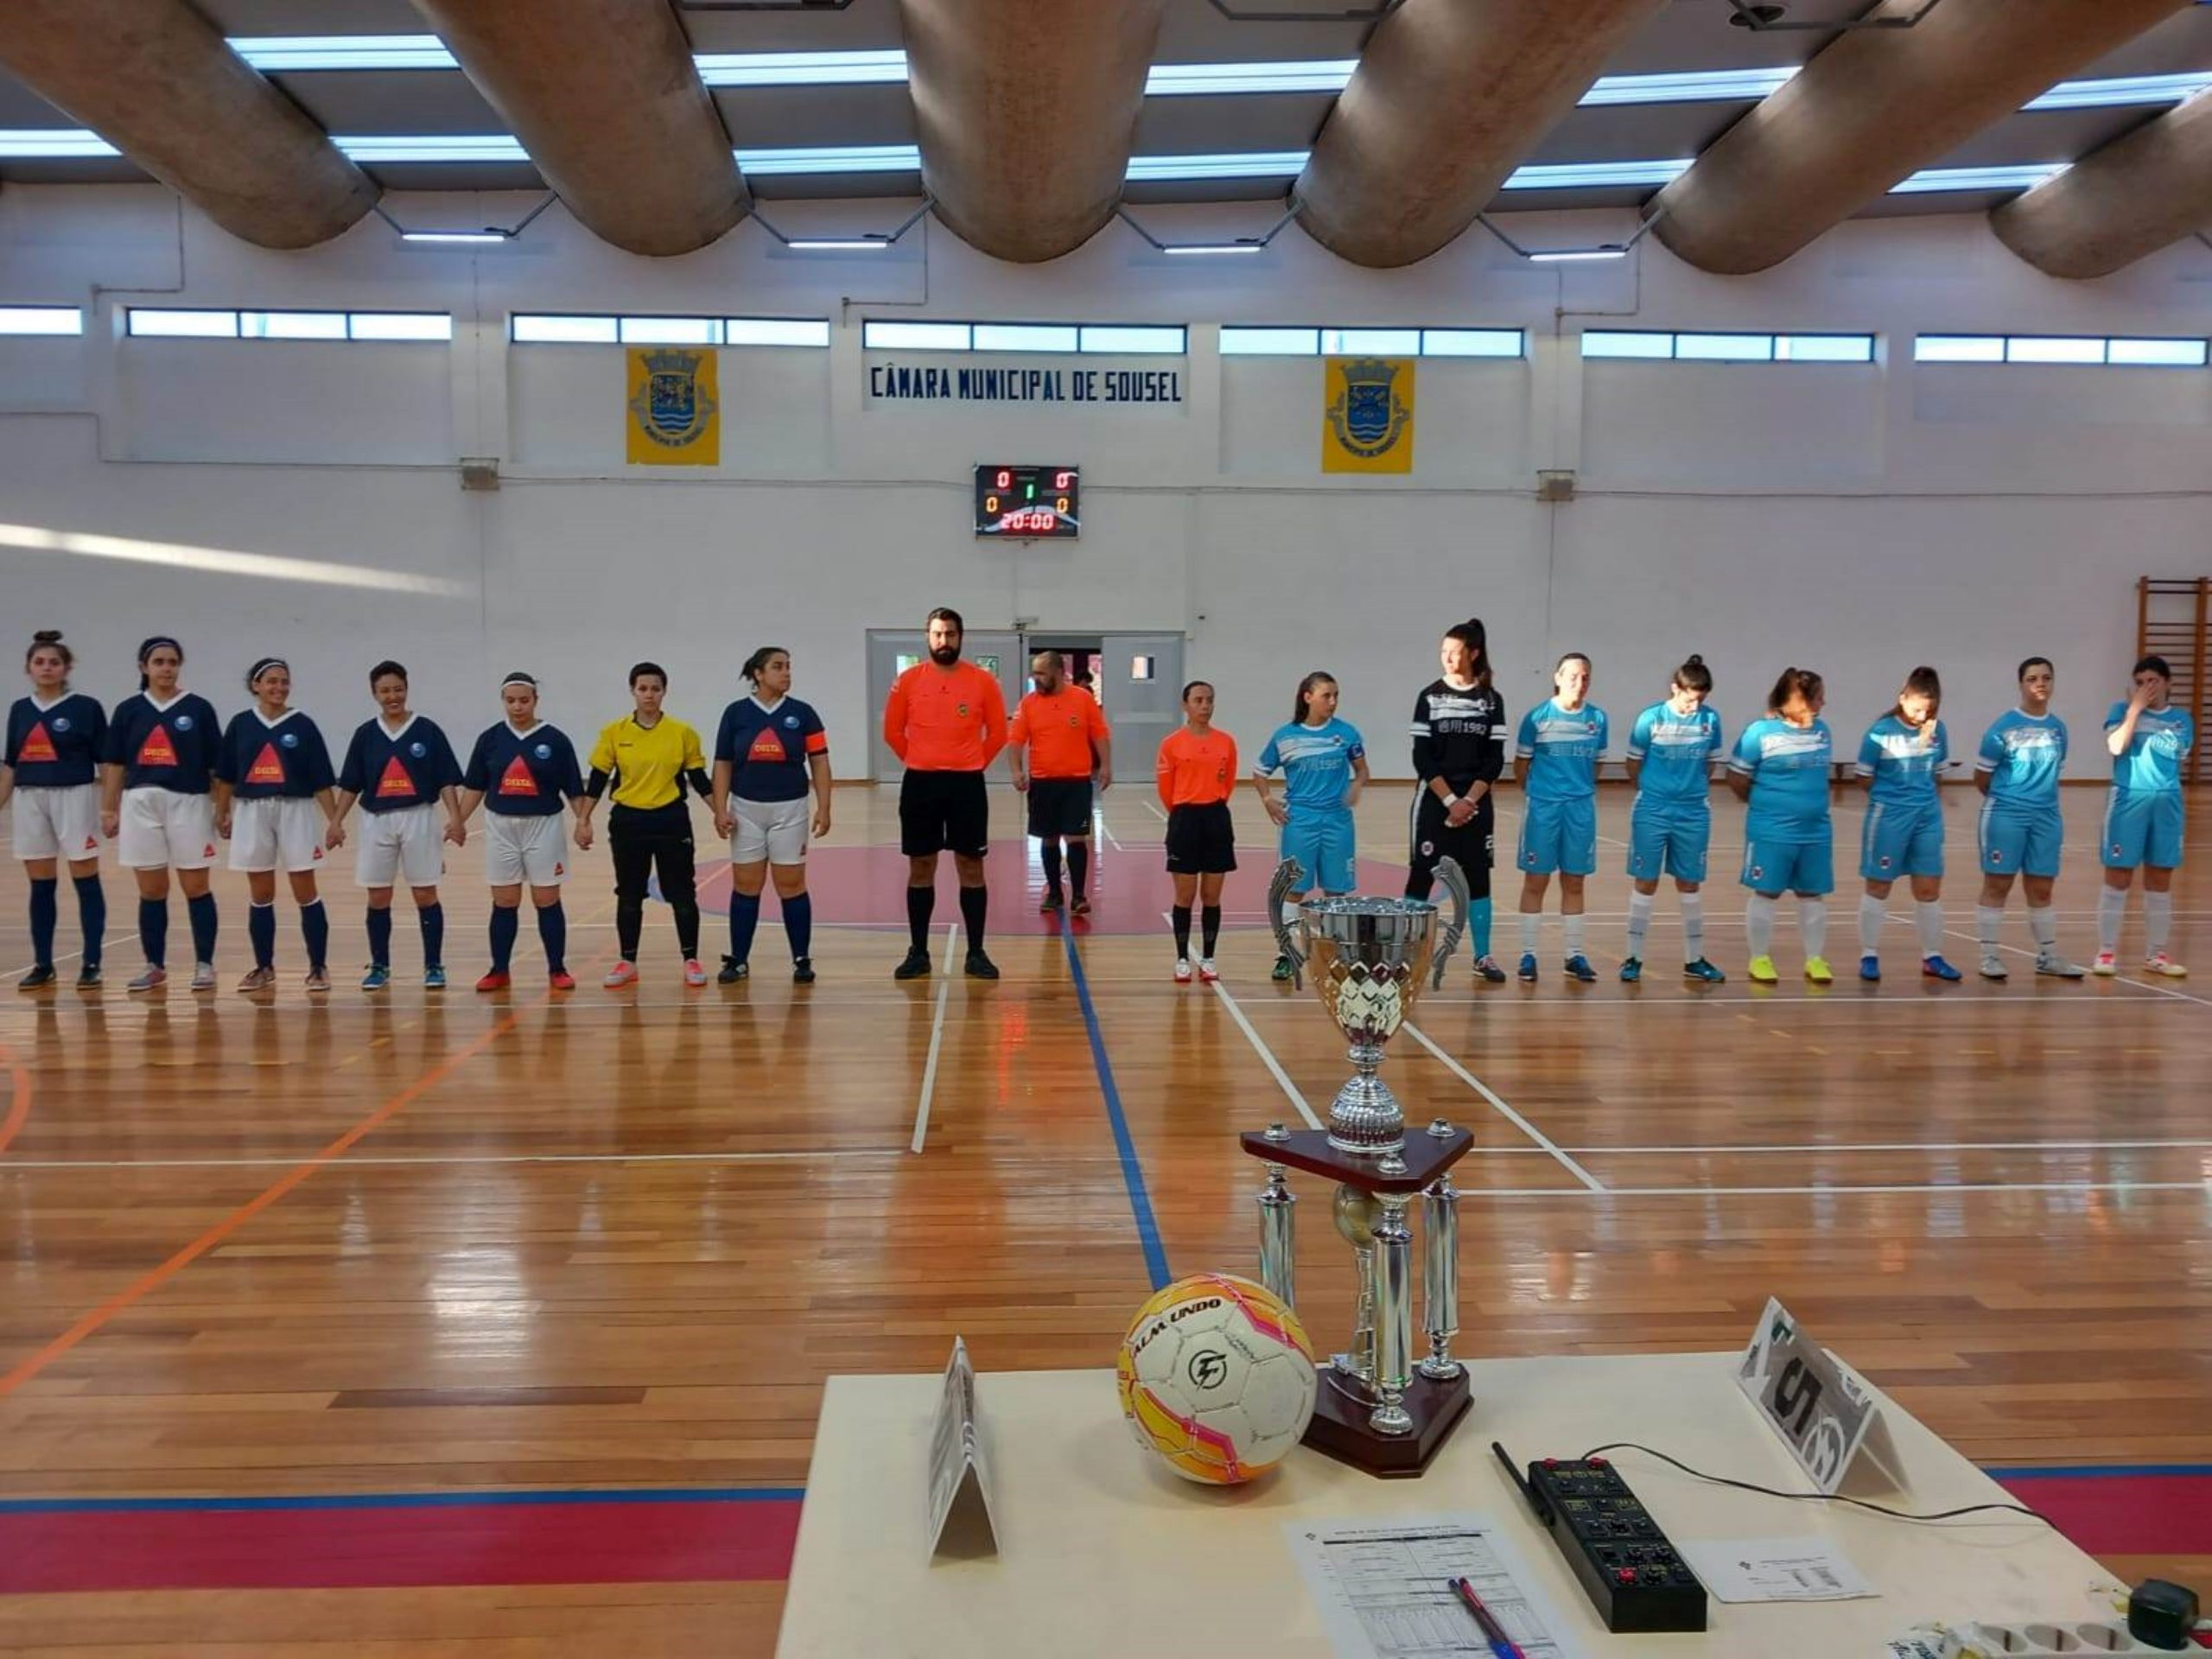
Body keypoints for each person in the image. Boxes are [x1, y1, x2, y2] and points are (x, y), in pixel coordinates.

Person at [883, 607, 1007, 981]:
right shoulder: (907, 681)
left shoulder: (983, 682)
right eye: (938, 634)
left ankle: (976, 952)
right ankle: (918, 952)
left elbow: (999, 734)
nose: (944, 641)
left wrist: (971, 764)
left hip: (966, 785)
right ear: (928, 637)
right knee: (921, 866)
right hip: (920, 784)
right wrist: (921, 761)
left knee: (971, 866)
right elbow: (892, 732)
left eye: (951, 634)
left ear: (961, 638)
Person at [327, 660, 467, 990]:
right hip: (376, 821)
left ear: (407, 689)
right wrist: (335, 822)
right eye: (385, 691)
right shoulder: (366, 735)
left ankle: (433, 964)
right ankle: (380, 965)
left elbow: (447, 779)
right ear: (374, 694)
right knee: (378, 896)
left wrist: (456, 818)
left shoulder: (427, 730)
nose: (393, 696)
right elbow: (350, 784)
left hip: (417, 816)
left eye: (398, 689)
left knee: (425, 893)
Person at [578, 664, 710, 990]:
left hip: (670, 819)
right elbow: (597, 779)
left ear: (664, 692)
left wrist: (721, 812)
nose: (649, 694)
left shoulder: (683, 733)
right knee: (629, 893)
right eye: (643, 688)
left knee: (681, 892)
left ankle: (691, 959)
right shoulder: (614, 733)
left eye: (655, 688)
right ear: (633, 691)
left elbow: (698, 779)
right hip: (628, 822)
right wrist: (583, 818)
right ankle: (628, 961)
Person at [101, 636, 222, 994]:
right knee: (152, 889)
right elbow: (115, 763)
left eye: (172, 662)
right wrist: (108, 808)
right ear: (144, 667)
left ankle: (204, 964)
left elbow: (215, 765)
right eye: (159, 662)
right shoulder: (129, 710)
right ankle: (154, 965)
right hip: (141, 803)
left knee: (196, 886)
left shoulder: (198, 709)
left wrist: (223, 809)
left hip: (190, 802)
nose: (166, 668)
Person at [213, 658, 340, 993]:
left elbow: (321, 780)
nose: (278, 688)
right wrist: (221, 812)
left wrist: (335, 821)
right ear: (256, 685)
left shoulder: (303, 725)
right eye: (271, 681)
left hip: (295, 808)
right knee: (261, 892)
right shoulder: (241, 725)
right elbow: (225, 776)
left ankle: (318, 967)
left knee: (305, 890)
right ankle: (263, 966)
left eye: (284, 682)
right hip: (253, 810)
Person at [457, 672, 586, 992]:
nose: (517, 706)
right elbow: (474, 785)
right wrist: (457, 820)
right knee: (504, 900)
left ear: (535, 701)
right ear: (503, 701)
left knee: (546, 898)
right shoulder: (490, 739)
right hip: (501, 826)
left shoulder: (555, 740)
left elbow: (573, 787)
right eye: (511, 700)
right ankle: (499, 969)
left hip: (543, 825)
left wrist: (583, 821)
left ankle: (557, 969)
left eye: (524, 700)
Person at [710, 646, 830, 984]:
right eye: (778, 667)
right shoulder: (735, 714)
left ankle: (801, 959)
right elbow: (722, 763)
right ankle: (739, 959)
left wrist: (825, 806)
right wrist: (720, 809)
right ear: (758, 674)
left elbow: (819, 761)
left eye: (789, 666)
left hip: (790, 808)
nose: (787, 673)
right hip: (746, 809)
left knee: (791, 885)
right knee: (746, 885)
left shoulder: (804, 714)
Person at [1, 631, 107, 988]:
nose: (47, 668)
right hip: (30, 798)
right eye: (39, 662)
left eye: (54, 662)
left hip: (74, 794)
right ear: (29, 668)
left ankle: (91, 961)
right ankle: (43, 963)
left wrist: (111, 806)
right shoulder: (20, 709)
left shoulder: (86, 707)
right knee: (40, 884)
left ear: (67, 667)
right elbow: (11, 765)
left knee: (85, 878)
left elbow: (106, 761)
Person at [1406, 618, 1507, 982]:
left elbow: (1494, 760)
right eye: (1443, 652)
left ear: (1474, 653)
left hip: (1476, 805)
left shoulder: (1491, 701)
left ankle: (1483, 956)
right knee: (1421, 876)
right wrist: (1450, 800)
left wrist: (1469, 801)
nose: (1447, 658)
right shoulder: (1429, 696)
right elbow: (1422, 757)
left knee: (1478, 878)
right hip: (1436, 801)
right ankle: (1410, 956)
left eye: (1455, 652)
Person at [1973, 657, 2082, 981]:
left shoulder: (2058, 728)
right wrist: (2010, 800)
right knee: (1998, 883)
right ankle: (1989, 955)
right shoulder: (2002, 727)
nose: (2040, 684)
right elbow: (1982, 777)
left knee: (2042, 888)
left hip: (2047, 816)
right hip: (2006, 813)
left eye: (2047, 678)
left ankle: (2048, 956)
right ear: (2021, 684)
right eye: (2033, 678)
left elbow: (2055, 771)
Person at [1255, 671, 1368, 982]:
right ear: (1308, 697)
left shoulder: (1347, 734)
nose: (1332, 702)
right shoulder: (1285, 736)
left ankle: (1337, 955)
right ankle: (1286, 954)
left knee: (1336, 891)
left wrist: (1358, 784)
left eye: (1335, 696)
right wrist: (1268, 800)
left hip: (1337, 821)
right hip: (1300, 821)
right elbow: (1260, 771)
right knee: (1293, 891)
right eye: (1326, 695)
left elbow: (1362, 770)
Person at [1622, 654, 1727, 985]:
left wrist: (1689, 790)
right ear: (1675, 689)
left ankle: (1694, 959)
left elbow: (1710, 765)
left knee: (1689, 882)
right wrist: (1657, 790)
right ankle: (1633, 957)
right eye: (1690, 699)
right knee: (1646, 881)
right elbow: (1633, 765)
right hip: (1653, 808)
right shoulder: (1650, 719)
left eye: (1701, 700)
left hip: (1693, 811)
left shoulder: (1710, 720)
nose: (1695, 706)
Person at [1853, 667, 1961, 983]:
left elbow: (1937, 774)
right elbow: (1863, 776)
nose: (1920, 715)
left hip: (1926, 817)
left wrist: (1924, 801)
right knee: (1878, 885)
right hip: (1888, 817)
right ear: (1902, 698)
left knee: (1928, 888)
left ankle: (1932, 956)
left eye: (1927, 709)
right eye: (1916, 708)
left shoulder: (1938, 731)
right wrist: (1889, 800)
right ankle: (1869, 954)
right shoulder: (1881, 731)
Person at [1729, 666, 1836, 986]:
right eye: (1818, 696)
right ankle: (1759, 957)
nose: (1824, 702)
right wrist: (1768, 808)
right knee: (1767, 891)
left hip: (1816, 830)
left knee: (1812, 894)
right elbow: (1736, 778)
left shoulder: (1823, 732)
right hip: (1772, 830)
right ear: (1800, 699)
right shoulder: (1760, 733)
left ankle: (1815, 959)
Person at [2097, 654, 2194, 977]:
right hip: (2128, 799)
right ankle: (2107, 952)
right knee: (2119, 876)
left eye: (2152, 681)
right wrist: (2134, 710)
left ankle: (2156, 955)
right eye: (2139, 683)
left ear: (2168, 683)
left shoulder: (2182, 720)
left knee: (2160, 880)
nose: (2146, 688)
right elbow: (2115, 747)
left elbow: (2177, 756)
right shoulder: (2120, 712)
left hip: (2167, 804)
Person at [1514, 652, 1607, 984]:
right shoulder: (1537, 718)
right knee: (1536, 881)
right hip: (1543, 808)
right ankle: (1528, 955)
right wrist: (1542, 794)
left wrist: (1577, 789)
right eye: (1572, 676)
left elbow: (1596, 764)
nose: (1578, 684)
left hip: (1580, 810)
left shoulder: (1598, 718)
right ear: (1557, 677)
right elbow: (1521, 767)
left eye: (1585, 678)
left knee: (1575, 880)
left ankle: (1573, 955)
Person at [1009, 650, 1113, 917]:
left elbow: (1099, 733)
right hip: (1043, 782)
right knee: (1049, 839)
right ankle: (1054, 892)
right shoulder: (1028, 704)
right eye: (1034, 673)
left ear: (1058, 672)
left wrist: (1106, 766)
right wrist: (1016, 771)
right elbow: (1015, 741)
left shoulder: (1082, 699)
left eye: (1041, 673)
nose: (1036, 678)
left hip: (1076, 781)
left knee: (1076, 838)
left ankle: (1078, 895)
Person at [1157, 680, 1236, 983]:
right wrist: (1183, 813)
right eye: (1199, 700)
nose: (1205, 706)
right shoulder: (1172, 743)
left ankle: (1209, 957)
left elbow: (1227, 783)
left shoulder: (1226, 742)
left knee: (1212, 896)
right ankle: (1181, 958)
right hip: (1184, 819)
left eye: (1210, 700)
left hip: (1216, 818)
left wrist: (1211, 807)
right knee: (1185, 895)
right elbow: (1166, 789)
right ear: (1185, 705)